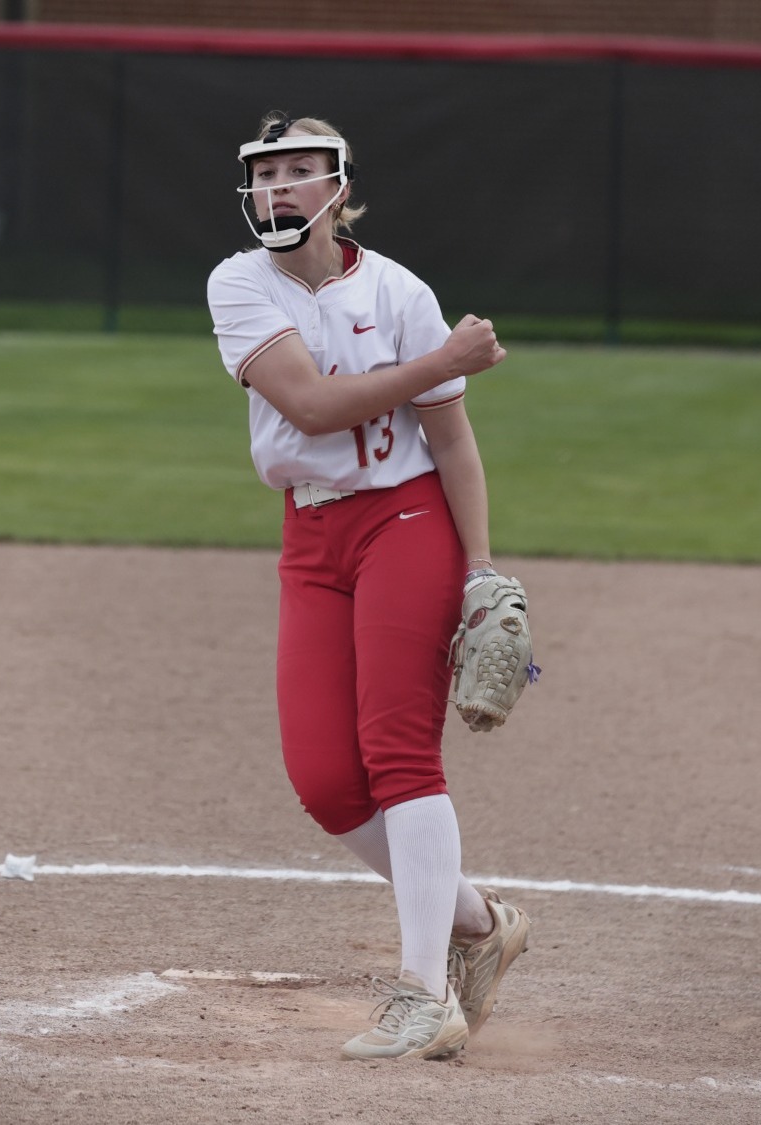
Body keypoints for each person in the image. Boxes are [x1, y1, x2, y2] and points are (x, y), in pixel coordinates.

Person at [206, 112, 531, 1062]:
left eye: (303, 171)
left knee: (397, 754)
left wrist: (478, 570)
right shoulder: (239, 280)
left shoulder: (399, 290)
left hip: (405, 522)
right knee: (324, 778)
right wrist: (444, 362)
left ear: (340, 188)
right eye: (268, 174)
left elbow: (450, 439)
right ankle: (480, 922)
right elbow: (306, 402)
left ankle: (424, 994)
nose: (281, 188)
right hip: (310, 534)